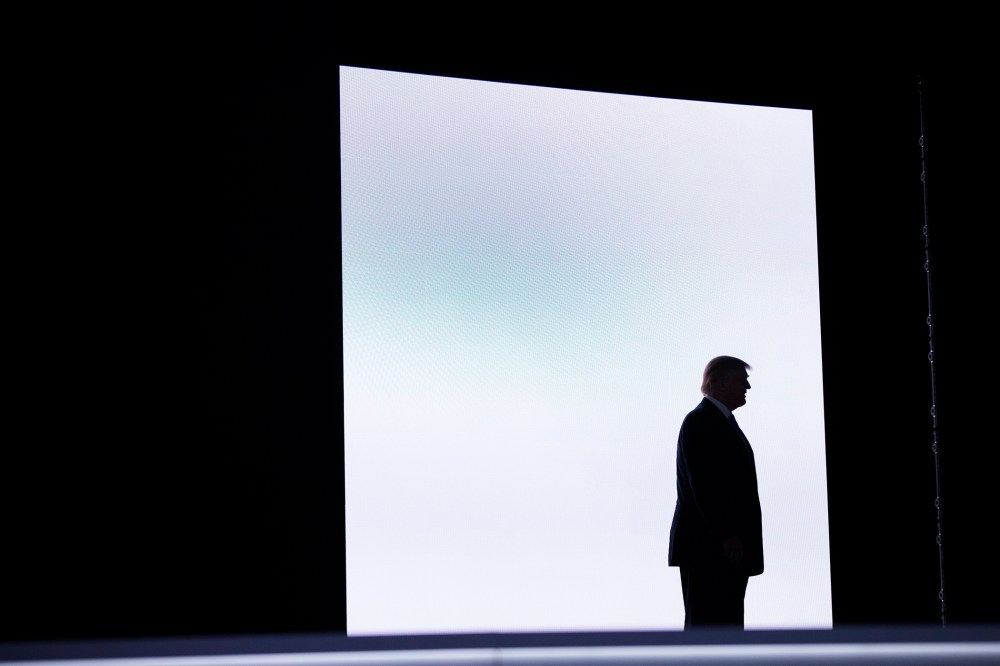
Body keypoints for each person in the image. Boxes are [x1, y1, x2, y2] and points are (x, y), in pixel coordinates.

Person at [668, 355, 763, 629]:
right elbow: (704, 484)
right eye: (742, 380)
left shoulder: (717, 422)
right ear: (721, 384)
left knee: (723, 626)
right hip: (710, 549)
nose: (747, 387)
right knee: (709, 627)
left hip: (721, 549)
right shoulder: (700, 422)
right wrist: (726, 534)